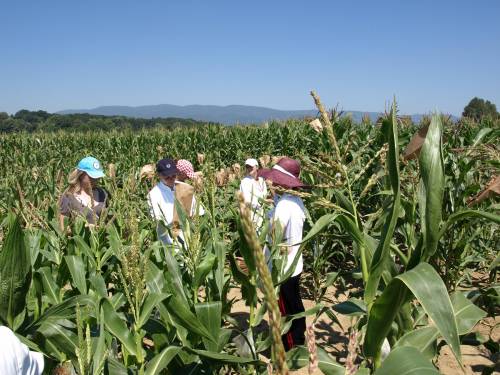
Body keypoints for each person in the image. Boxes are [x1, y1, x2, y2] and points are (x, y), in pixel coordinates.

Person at [259, 157, 307, 351]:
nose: (273, 183)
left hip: (283, 268)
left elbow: (275, 236)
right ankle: (299, 337)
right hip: (295, 264)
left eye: (276, 179)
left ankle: (289, 346)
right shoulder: (295, 200)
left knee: (285, 309)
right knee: (295, 303)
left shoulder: (284, 207)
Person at [58, 156, 107, 231]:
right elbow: (63, 228)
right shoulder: (69, 196)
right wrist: (84, 228)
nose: (95, 180)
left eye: (97, 177)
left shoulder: (102, 193)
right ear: (81, 175)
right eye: (91, 177)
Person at [147, 158, 179, 246]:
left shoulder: (185, 188)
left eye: (173, 175)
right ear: (159, 176)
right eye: (167, 177)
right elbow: (159, 221)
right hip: (171, 246)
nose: (171, 178)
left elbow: (197, 212)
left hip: (191, 243)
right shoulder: (153, 195)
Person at [239, 158, 268, 231]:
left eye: (251, 167)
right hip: (252, 214)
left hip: (262, 213)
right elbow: (247, 200)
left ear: (257, 167)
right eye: (247, 167)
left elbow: (265, 195)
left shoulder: (262, 180)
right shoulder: (245, 181)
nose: (249, 169)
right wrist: (263, 202)